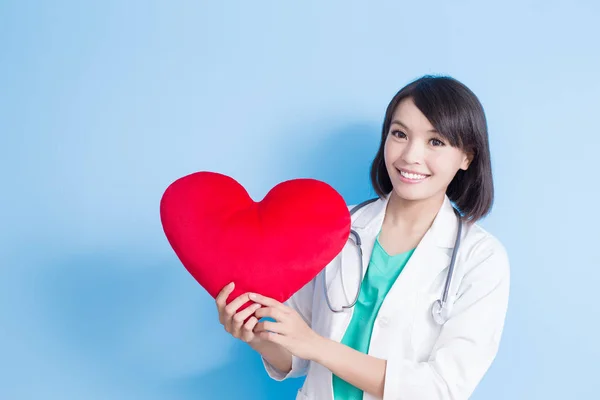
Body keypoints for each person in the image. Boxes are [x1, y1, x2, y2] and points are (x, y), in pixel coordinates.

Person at [215, 75, 510, 400]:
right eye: (399, 134)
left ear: (467, 156)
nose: (410, 155)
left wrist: (316, 345)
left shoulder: (481, 259)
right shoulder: (336, 227)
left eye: (435, 141)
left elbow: (441, 389)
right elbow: (296, 354)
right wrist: (257, 336)